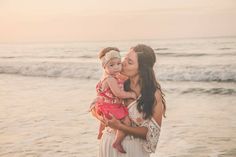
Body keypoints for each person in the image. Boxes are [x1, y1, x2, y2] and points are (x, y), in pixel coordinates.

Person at [90, 44, 166, 157]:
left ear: (142, 69)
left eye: (130, 62)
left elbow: (150, 133)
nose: (123, 63)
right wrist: (104, 119)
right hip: (108, 143)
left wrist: (120, 126)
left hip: (133, 150)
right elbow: (96, 107)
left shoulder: (153, 95)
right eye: (125, 59)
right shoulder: (116, 82)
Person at [92, 47, 137, 153]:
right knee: (126, 121)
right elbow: (119, 94)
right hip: (112, 106)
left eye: (118, 63)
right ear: (104, 67)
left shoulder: (111, 76)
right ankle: (117, 142)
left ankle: (100, 132)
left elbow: (123, 80)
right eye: (111, 65)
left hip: (105, 105)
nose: (116, 67)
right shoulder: (111, 79)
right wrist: (130, 94)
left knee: (104, 118)